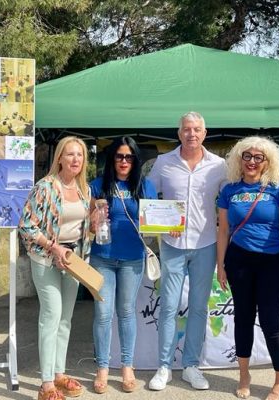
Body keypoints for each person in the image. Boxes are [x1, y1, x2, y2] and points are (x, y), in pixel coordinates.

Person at [146, 111, 227, 391]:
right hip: (172, 246)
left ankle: (191, 365)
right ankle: (164, 367)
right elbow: (147, 196)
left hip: (206, 244)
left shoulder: (219, 165)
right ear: (179, 133)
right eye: (186, 129)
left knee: (198, 308)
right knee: (168, 306)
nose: (191, 134)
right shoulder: (164, 163)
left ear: (205, 134)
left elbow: (231, 200)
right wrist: (158, 223)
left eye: (197, 129)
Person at [215, 136, 279, 400]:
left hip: (272, 261)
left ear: (267, 162)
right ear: (239, 159)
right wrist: (220, 265)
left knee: (272, 321)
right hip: (238, 261)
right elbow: (223, 230)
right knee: (243, 318)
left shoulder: (278, 189)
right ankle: (244, 374)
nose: (251, 161)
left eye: (257, 157)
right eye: (246, 156)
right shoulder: (229, 191)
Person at [18, 136, 91, 400]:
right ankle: (46, 384)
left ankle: (59, 374)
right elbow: (26, 225)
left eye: (80, 155)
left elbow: (81, 227)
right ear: (59, 157)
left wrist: (94, 220)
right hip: (47, 257)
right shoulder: (46, 187)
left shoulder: (84, 189)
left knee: (65, 320)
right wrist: (54, 247)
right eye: (69, 154)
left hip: (72, 260)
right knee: (51, 316)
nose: (75, 160)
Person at [88, 137, 157, 394]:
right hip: (102, 257)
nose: (124, 162)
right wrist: (93, 220)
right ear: (112, 159)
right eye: (119, 156)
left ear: (135, 160)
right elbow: (87, 227)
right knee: (103, 314)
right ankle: (103, 368)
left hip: (132, 258)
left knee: (126, 312)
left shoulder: (145, 186)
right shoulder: (97, 185)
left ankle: (127, 366)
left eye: (129, 157)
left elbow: (154, 222)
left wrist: (169, 227)